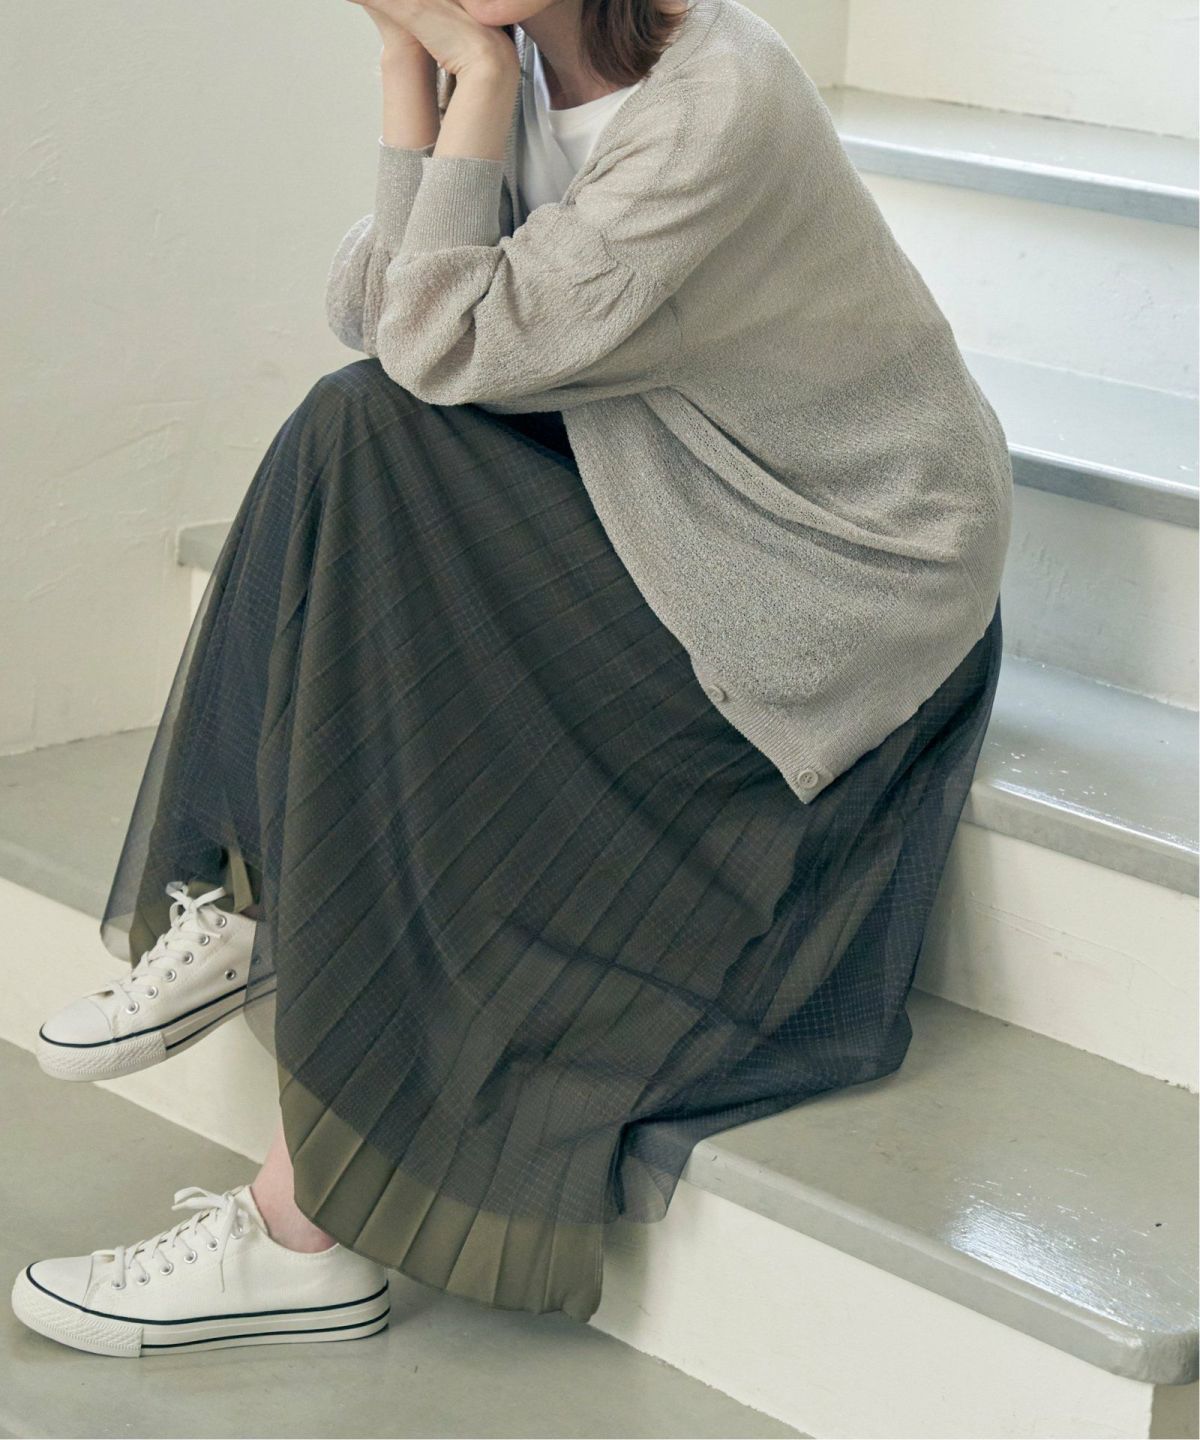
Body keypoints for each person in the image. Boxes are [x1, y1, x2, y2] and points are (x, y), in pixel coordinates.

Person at [12, 0, 1010, 1357]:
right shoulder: (529, 62)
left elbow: (434, 344)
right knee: (355, 428)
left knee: (381, 461)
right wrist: (419, 74)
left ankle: (302, 1219)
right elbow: (375, 310)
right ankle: (252, 909)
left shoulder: (715, 99)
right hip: (676, 492)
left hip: (831, 576)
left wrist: (464, 74)